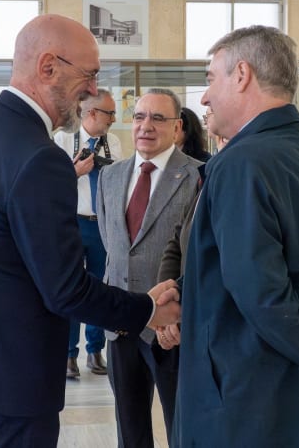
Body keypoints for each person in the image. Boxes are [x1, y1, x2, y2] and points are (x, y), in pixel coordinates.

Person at [0, 14, 181, 448]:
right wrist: (147, 309)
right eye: (90, 75)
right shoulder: (40, 158)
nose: (94, 90)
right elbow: (66, 291)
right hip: (9, 381)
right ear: (48, 67)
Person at [174, 25, 299, 446]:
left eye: (211, 79)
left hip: (251, 402)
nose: (205, 97)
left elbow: (265, 295)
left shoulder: (241, 163)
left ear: (242, 75)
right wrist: (186, 290)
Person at [96, 88, 201, 448]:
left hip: (171, 330)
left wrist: (179, 315)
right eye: (139, 117)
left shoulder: (199, 178)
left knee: (182, 429)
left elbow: (199, 257)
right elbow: (112, 246)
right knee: (130, 429)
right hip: (122, 325)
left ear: (177, 128)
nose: (146, 126)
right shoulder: (110, 177)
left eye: (158, 118)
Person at [53, 89, 122, 379]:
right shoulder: (63, 139)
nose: (113, 120)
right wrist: (76, 171)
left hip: (102, 224)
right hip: (73, 222)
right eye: (109, 113)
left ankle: (96, 351)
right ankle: (69, 355)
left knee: (98, 289)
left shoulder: (114, 143)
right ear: (92, 113)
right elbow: (50, 183)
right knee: (70, 288)